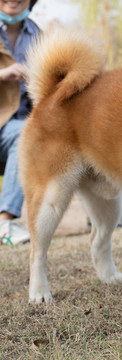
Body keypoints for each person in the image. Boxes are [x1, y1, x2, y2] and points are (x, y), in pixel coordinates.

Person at [0, 0, 39, 245]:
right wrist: (3, 74)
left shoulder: (38, 35)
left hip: (26, 127)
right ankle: (5, 224)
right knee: (25, 133)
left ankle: (101, 221)